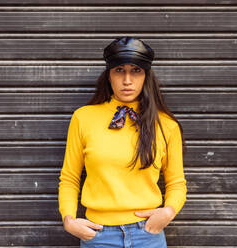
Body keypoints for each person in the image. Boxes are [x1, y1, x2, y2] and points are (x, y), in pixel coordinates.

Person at [58, 36, 187, 248]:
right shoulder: (84, 118)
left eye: (136, 71)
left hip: (147, 234)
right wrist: (68, 220)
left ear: (146, 76)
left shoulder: (166, 125)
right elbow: (70, 177)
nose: (127, 80)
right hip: (98, 236)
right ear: (109, 76)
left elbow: (176, 182)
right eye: (119, 70)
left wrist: (168, 211)